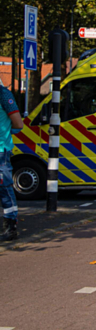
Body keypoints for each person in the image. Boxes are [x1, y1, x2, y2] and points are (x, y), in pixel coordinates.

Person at [0, 80, 24, 241]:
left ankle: (11, 225)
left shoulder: (3, 95)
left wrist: (6, 134)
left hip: (1, 150)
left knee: (5, 188)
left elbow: (18, 123)